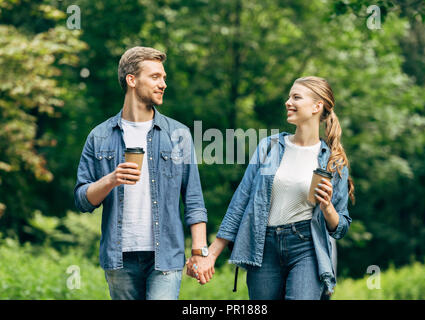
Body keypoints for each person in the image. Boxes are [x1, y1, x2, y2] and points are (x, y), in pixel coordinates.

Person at [186, 76, 355, 300]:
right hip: (263, 248)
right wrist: (211, 254)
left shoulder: (333, 162)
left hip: (307, 248)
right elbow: (241, 201)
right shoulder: (270, 146)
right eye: (289, 96)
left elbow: (341, 227)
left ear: (317, 106)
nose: (288, 102)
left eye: (296, 97)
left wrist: (327, 208)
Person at [74, 46, 213, 300]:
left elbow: (193, 200)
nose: (163, 84)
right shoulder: (100, 136)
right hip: (119, 258)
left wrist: (199, 252)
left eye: (164, 78)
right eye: (155, 77)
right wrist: (110, 180)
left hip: (166, 256)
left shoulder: (177, 134)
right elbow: (82, 200)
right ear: (132, 80)